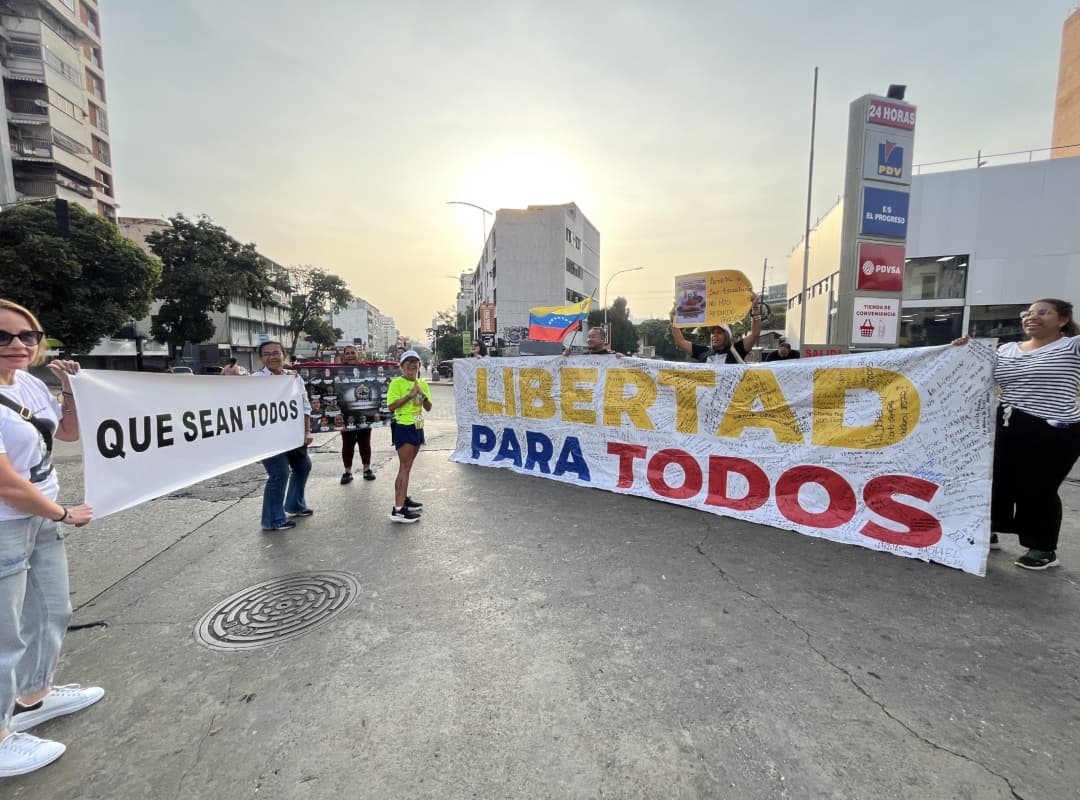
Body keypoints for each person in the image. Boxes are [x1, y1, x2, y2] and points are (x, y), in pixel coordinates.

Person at [0, 299, 101, 777]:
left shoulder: (30, 384)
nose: (17, 346)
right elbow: (4, 482)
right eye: (2, 338)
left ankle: (34, 694)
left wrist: (69, 390)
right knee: (6, 633)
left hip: (39, 520)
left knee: (53, 610)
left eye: (27, 336)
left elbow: (66, 434)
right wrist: (63, 512)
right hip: (6, 524)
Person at [954, 298, 1080, 569]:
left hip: (1053, 430)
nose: (1032, 317)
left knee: (1038, 488)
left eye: (1043, 313)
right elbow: (977, 372)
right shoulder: (1008, 349)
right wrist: (964, 350)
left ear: (1063, 320)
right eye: (1028, 313)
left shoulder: (1072, 346)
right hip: (1008, 424)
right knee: (997, 481)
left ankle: (1042, 548)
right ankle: (990, 531)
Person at [252, 341, 313, 531]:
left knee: (303, 466)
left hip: (292, 435)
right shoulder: (254, 381)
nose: (272, 357)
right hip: (268, 438)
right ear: (261, 358)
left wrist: (306, 431)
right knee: (279, 474)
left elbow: (305, 406)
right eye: (267, 354)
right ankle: (273, 519)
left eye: (276, 353)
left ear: (284, 355)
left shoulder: (293, 378)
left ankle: (295, 505)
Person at [385, 350, 430, 523]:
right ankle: (398, 510)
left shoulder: (422, 384)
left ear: (419, 365)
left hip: (418, 424)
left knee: (409, 466)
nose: (412, 365)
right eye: (408, 362)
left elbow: (428, 407)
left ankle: (403, 498)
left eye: (415, 362)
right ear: (402, 366)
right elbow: (391, 406)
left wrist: (421, 394)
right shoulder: (396, 383)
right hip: (403, 425)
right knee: (404, 467)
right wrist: (409, 395)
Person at [670, 295, 762, 364]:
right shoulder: (703, 352)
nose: (714, 335)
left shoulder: (736, 350)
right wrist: (673, 319)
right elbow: (681, 342)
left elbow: (755, 334)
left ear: (726, 335)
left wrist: (755, 308)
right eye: (713, 333)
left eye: (719, 332)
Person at [338, 346, 375, 485]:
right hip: (346, 415)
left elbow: (381, 366)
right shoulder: (338, 370)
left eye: (353, 352)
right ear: (343, 356)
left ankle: (367, 469)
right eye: (347, 353)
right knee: (347, 445)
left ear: (358, 354)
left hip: (364, 412)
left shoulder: (365, 368)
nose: (350, 355)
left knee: (365, 443)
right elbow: (317, 366)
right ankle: (347, 472)